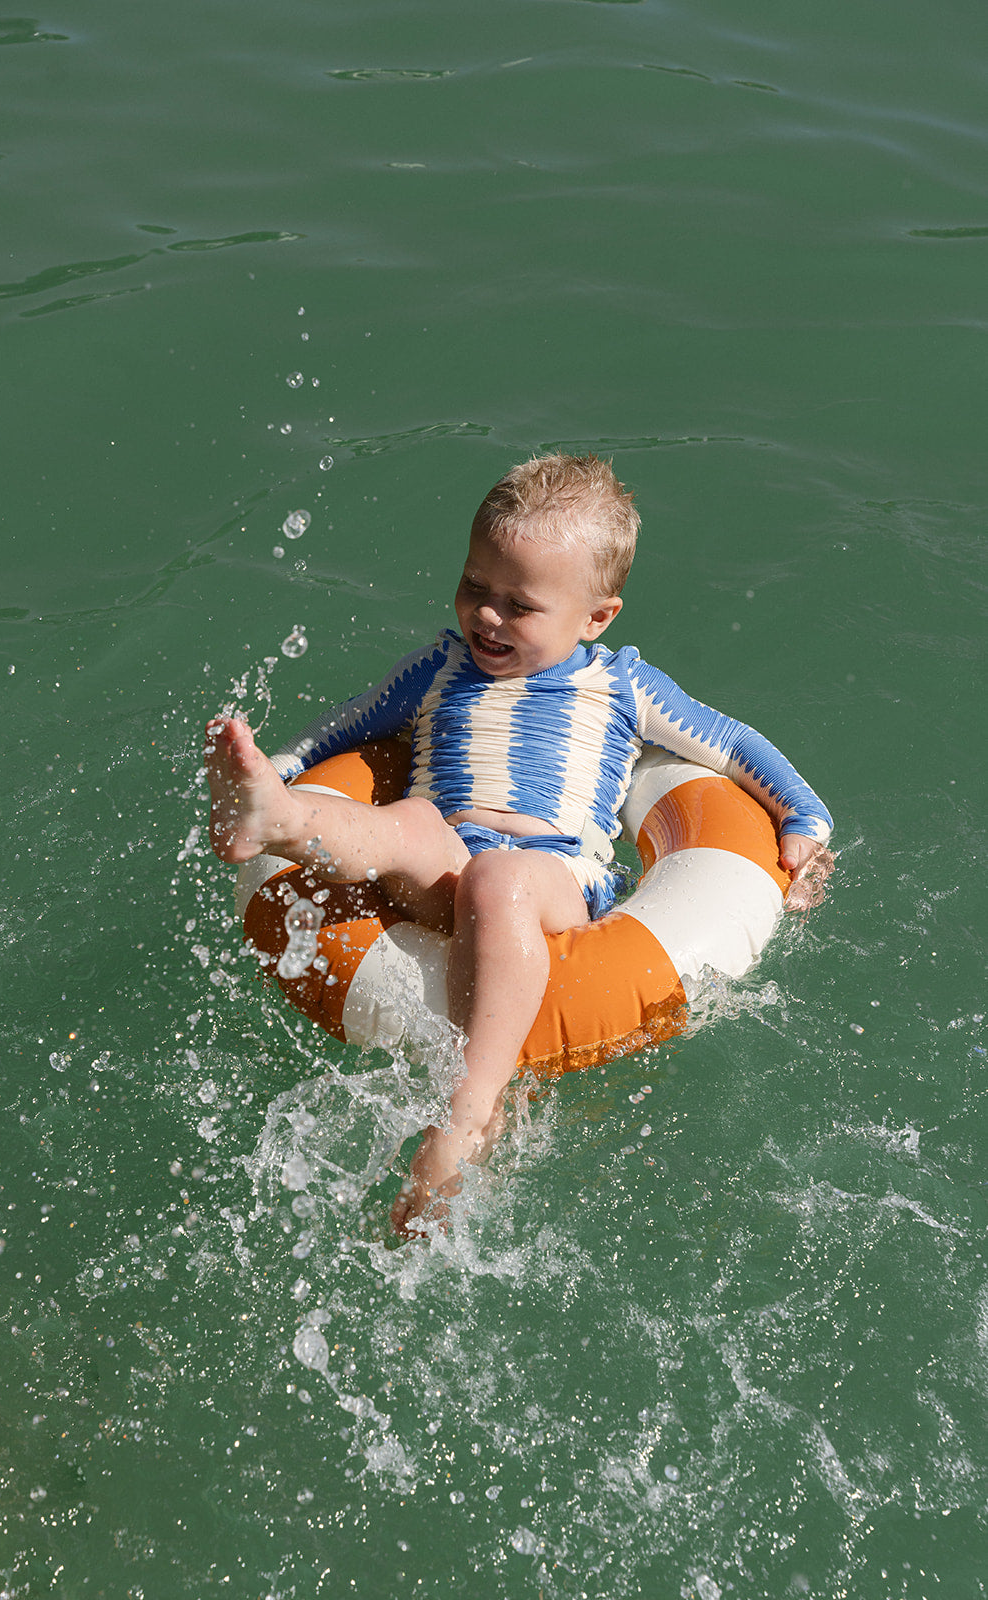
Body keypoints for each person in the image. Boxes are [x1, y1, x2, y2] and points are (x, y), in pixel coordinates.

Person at [204, 455, 833, 1234]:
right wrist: (286, 771)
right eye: (475, 587)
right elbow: (350, 725)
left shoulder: (622, 686)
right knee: (415, 828)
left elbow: (732, 747)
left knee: (499, 878)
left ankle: (466, 1111)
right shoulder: (437, 668)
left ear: (596, 616)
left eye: (519, 605)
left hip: (554, 880)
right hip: (445, 863)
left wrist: (805, 821)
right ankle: (280, 821)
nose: (487, 617)